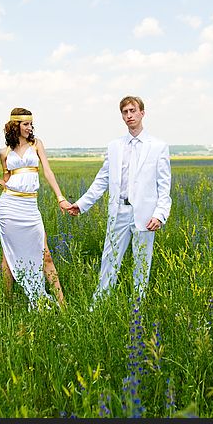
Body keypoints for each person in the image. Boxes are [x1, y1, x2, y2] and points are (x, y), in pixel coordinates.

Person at [65, 96, 171, 305]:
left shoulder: (158, 146)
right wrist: (82, 203)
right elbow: (102, 180)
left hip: (145, 215)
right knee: (109, 259)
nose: (129, 115)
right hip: (119, 212)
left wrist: (159, 215)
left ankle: (138, 305)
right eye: (125, 112)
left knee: (142, 262)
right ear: (122, 116)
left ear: (142, 113)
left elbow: (164, 186)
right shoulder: (114, 146)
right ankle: (99, 305)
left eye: (133, 110)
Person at [0, 107, 69, 309]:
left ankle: (63, 306)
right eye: (25, 124)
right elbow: (6, 183)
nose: (30, 127)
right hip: (9, 207)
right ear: (15, 125)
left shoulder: (37, 145)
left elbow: (48, 172)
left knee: (46, 255)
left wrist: (60, 197)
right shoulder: (5, 153)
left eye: (30, 124)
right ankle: (7, 304)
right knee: (8, 256)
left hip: (30, 207)